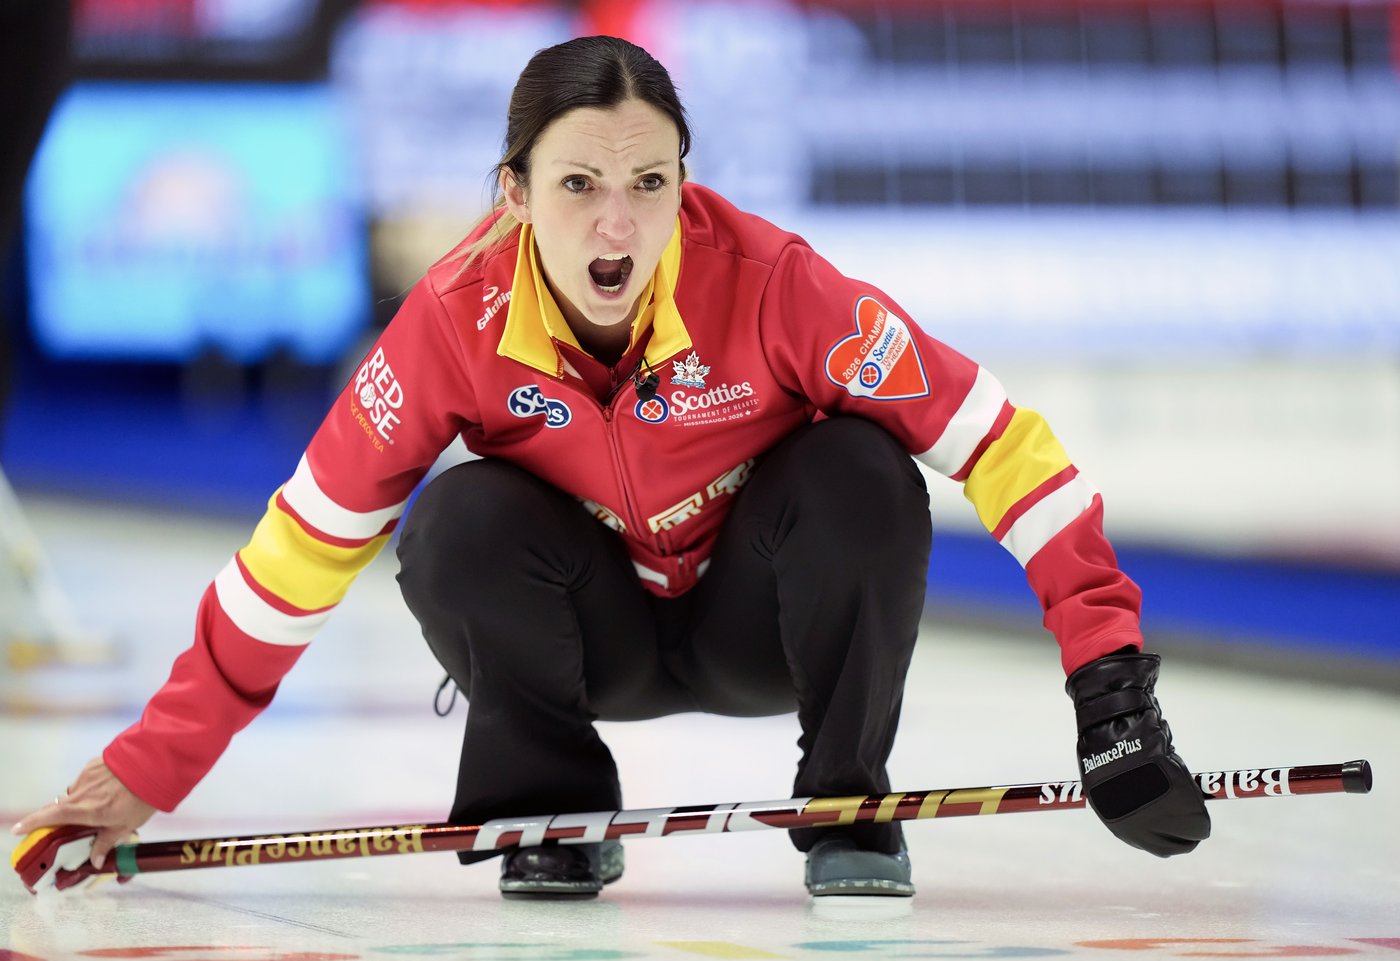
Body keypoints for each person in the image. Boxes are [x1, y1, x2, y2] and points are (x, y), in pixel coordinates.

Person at [13, 35, 1210, 899]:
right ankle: (551, 807)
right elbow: (290, 567)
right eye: (577, 185)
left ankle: (846, 803)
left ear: (685, 186)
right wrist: (136, 776)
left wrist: (1109, 691)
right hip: (588, 650)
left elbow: (1006, 452)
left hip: (767, 635)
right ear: (513, 195)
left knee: (865, 470)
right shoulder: (447, 324)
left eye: (649, 184)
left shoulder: (781, 286)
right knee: (452, 522)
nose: (616, 226)